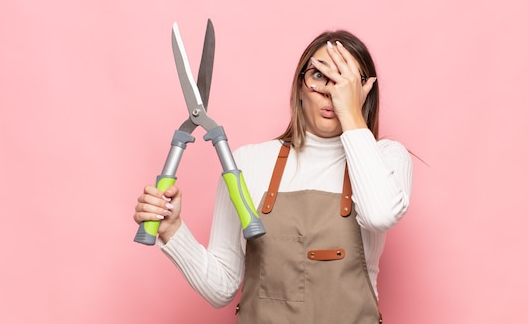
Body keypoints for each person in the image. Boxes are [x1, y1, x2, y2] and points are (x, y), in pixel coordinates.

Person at [134, 29, 413, 323]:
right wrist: (172, 230)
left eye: (345, 79)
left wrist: (352, 114)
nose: (332, 91)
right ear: (299, 86)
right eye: (319, 76)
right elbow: (222, 287)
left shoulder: (385, 158)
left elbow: (379, 215)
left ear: (364, 90)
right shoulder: (248, 163)